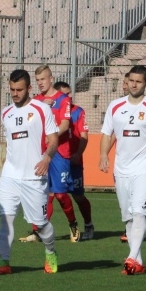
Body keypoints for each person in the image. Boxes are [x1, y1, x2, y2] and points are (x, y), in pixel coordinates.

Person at [99, 65, 146, 275]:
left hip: (145, 168)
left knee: (139, 212)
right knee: (128, 218)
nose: (134, 85)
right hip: (121, 169)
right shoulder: (115, 106)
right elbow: (107, 133)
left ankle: (131, 258)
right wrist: (103, 154)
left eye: (138, 81)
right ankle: (137, 262)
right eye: (131, 80)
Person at [0, 69, 59, 275]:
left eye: (19, 90)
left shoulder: (42, 109)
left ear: (29, 88)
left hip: (34, 177)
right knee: (6, 219)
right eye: (12, 89)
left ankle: (50, 251)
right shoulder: (6, 112)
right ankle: (4, 262)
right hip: (10, 176)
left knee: (41, 223)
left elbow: (53, 140)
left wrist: (47, 158)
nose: (15, 93)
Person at [20, 65, 80, 243]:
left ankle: (73, 223)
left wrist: (49, 136)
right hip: (40, 153)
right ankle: (37, 231)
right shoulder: (36, 101)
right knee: (41, 193)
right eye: (37, 80)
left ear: (51, 79)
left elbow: (65, 125)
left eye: (43, 79)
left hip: (60, 152)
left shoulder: (63, 100)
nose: (40, 83)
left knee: (60, 194)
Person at [55, 81, 94, 240]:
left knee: (78, 196)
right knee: (54, 195)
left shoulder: (78, 111)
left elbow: (84, 136)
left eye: (70, 93)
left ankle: (89, 225)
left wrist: (78, 153)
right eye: (66, 94)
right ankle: (39, 231)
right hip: (57, 161)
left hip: (74, 161)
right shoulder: (52, 111)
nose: (70, 96)